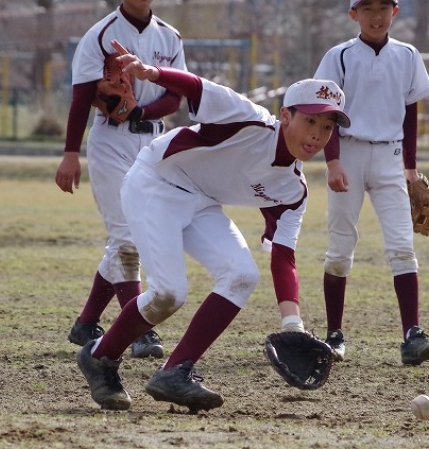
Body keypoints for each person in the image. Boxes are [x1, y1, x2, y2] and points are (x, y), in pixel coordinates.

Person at [76, 39, 351, 413]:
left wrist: (292, 324)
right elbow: (196, 87)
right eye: (310, 121)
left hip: (202, 200)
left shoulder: (293, 189)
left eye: (328, 126)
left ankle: (175, 372)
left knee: (242, 275)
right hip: (156, 181)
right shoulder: (249, 118)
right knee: (169, 293)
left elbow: (283, 255)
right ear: (286, 115)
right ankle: (100, 356)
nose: (317, 134)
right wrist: (152, 73)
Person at [313, 0, 429, 365]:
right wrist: (333, 161)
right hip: (348, 153)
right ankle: (334, 335)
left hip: (390, 156)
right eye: (367, 7)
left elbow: (410, 113)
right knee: (340, 248)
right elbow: (327, 113)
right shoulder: (339, 56)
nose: (376, 15)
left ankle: (412, 335)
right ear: (353, 14)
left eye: (384, 7)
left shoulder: (408, 55)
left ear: (395, 12)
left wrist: (411, 168)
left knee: (402, 246)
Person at [55, 0, 187, 359]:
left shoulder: (170, 37)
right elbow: (82, 97)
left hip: (154, 142)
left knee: (128, 238)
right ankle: (140, 330)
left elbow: (176, 96)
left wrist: (140, 111)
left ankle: (86, 323)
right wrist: (70, 153)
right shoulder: (100, 34)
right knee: (126, 237)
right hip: (111, 141)